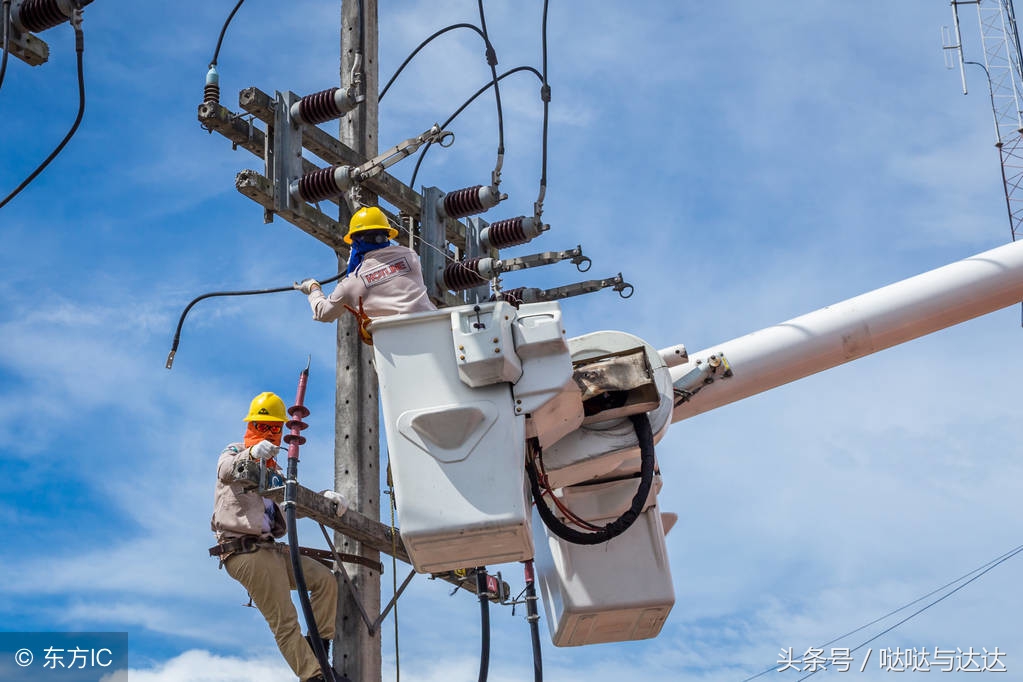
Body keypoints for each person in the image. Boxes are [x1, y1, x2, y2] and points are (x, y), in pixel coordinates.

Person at [209, 392, 338, 682]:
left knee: (325, 581)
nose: (267, 432)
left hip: (270, 550)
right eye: (261, 426)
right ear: (251, 425)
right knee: (285, 619)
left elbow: (291, 507)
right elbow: (226, 470)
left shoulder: (276, 471)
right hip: (244, 551)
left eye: (273, 428)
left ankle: (318, 656)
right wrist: (251, 455)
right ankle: (314, 676)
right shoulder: (235, 451)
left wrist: (324, 500)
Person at [295, 205, 437, 321]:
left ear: (355, 243)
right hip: (434, 332)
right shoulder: (410, 256)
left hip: (392, 344)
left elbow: (323, 313)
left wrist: (313, 288)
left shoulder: (351, 285)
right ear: (387, 235)